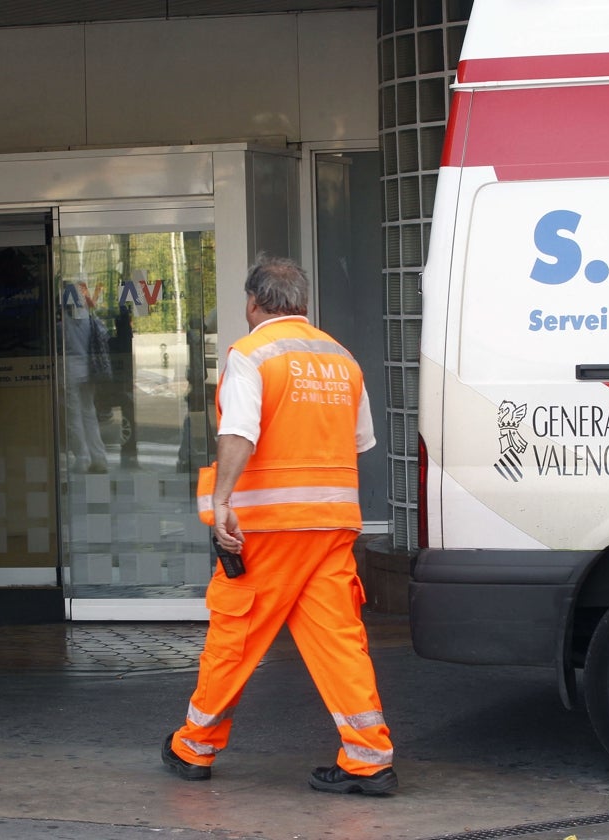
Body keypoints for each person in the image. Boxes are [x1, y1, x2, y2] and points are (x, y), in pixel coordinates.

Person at [161, 256, 396, 795]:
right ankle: (370, 758)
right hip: (332, 525)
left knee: (235, 635)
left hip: (268, 529)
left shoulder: (251, 355)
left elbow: (240, 432)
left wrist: (222, 500)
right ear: (303, 303)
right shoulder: (342, 358)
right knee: (339, 641)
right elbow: (361, 442)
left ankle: (194, 746)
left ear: (253, 302)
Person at [60, 293, 110, 474]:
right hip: (90, 369)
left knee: (74, 417)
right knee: (89, 413)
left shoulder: (63, 321)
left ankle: (82, 458)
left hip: (71, 370)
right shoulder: (89, 318)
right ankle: (99, 457)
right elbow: (103, 334)